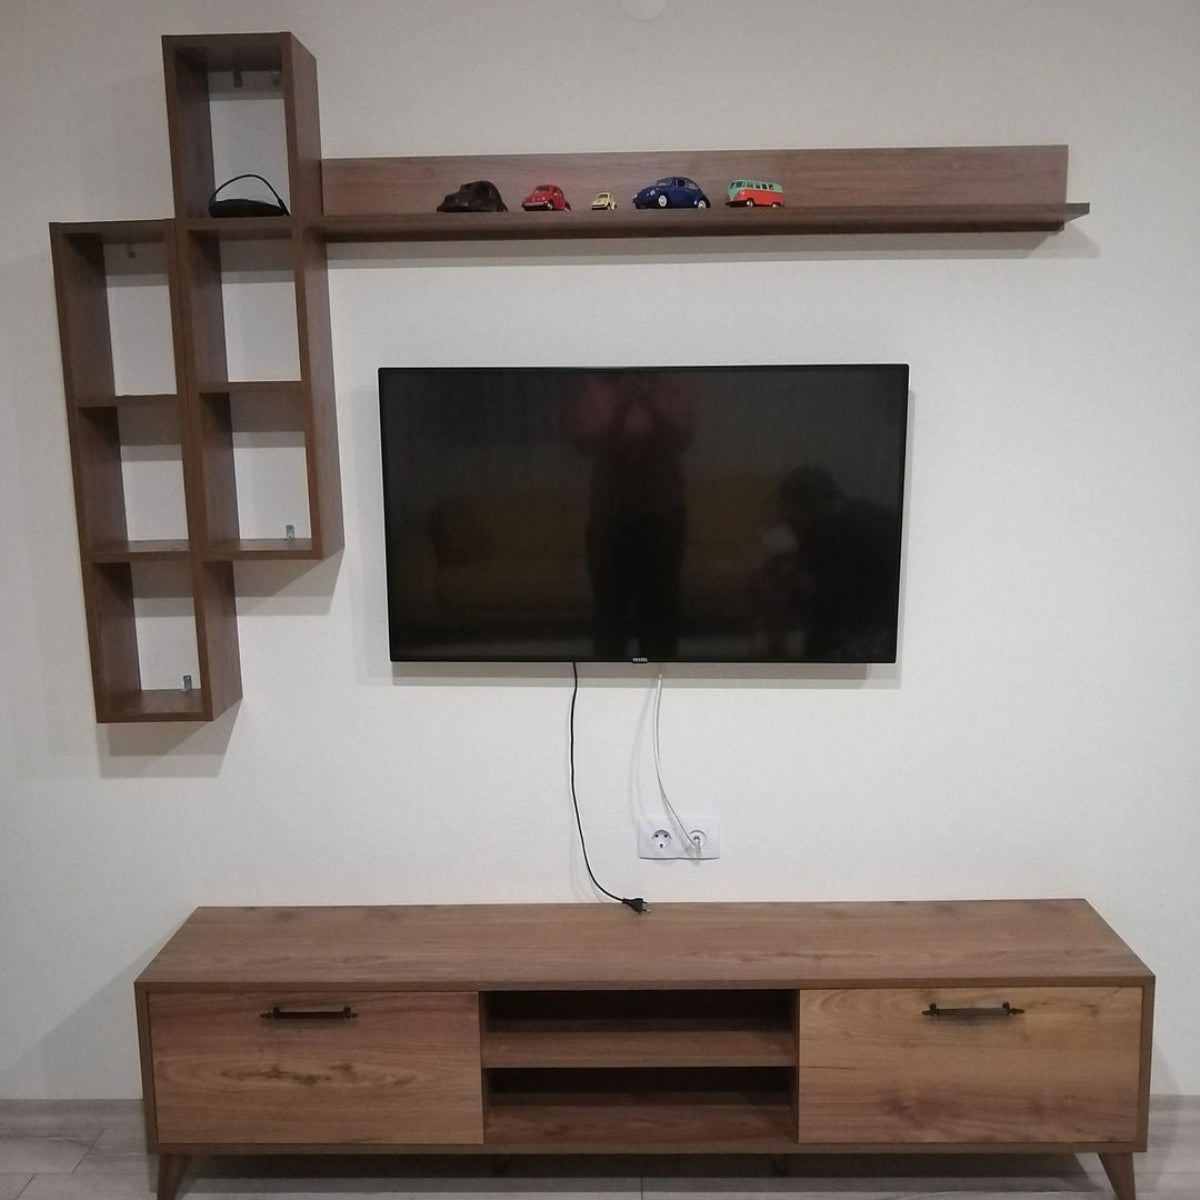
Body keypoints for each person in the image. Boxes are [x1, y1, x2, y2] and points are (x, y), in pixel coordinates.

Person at [569, 372, 697, 658]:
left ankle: (661, 677)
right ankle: (608, 681)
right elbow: (584, 445)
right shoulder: (594, 390)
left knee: (661, 609)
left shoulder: (671, 386)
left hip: (664, 515)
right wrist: (622, 407)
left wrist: (649, 402)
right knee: (608, 610)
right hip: (609, 517)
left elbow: (682, 439)